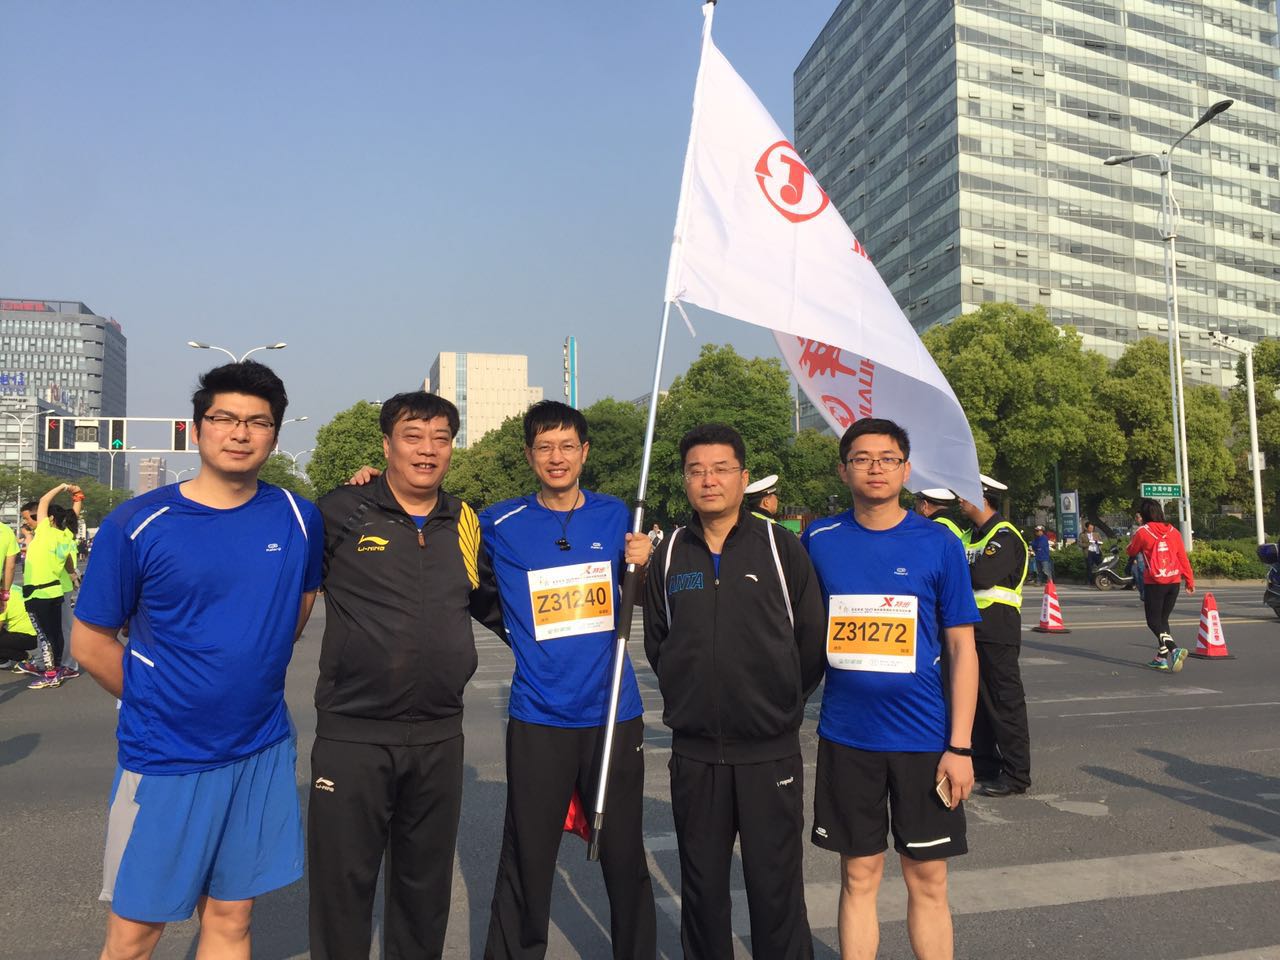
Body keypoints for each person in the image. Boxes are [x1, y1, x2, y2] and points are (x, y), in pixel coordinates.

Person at [71, 361, 323, 960]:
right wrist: (159, 700)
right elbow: (89, 642)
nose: (240, 433)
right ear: (197, 428)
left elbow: (295, 610)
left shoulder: (298, 517)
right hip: (166, 755)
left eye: (257, 422)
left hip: (260, 748)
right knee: (135, 934)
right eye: (225, 418)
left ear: (275, 435)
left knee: (232, 918)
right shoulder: (138, 523)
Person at [309, 391, 504, 960]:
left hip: (439, 736)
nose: (427, 450)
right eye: (413, 436)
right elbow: (285, 591)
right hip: (353, 735)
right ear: (386, 444)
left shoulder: (464, 520)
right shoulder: (340, 511)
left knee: (424, 893)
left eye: (441, 438)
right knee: (343, 891)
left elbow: (496, 605)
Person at [479, 400, 656, 960]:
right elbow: (433, 530)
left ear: (584, 452)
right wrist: (369, 484)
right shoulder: (496, 523)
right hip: (539, 717)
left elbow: (647, 595)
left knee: (624, 856)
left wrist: (647, 561)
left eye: (567, 446)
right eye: (544, 447)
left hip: (613, 714)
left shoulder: (618, 516)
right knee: (528, 858)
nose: (556, 457)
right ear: (529, 455)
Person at [801, 418, 979, 960]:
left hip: (925, 740)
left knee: (928, 879)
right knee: (859, 875)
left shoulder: (938, 543)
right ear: (843, 470)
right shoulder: (819, 541)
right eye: (861, 458)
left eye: (887, 459)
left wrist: (960, 746)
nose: (874, 468)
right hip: (847, 737)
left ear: (906, 469)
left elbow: (962, 649)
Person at [645, 424, 825, 960]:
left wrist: (780, 703)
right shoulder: (670, 552)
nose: (709, 480)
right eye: (696, 470)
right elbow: (658, 641)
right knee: (702, 891)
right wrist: (689, 693)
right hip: (696, 754)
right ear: (685, 480)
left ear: (743, 478)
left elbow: (811, 640)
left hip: (769, 752)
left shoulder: (780, 547)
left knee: (776, 889)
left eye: (721, 469)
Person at [957, 476, 1031, 798]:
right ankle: (985, 764)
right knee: (977, 703)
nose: (960, 501)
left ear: (982, 499)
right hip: (970, 628)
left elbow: (981, 575)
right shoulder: (969, 535)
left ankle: (1016, 774)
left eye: (965, 496)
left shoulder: (1004, 535)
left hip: (997, 630)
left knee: (1004, 703)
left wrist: (957, 572)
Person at [18, 483, 81, 688]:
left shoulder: (45, 532)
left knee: (45, 636)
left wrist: (63, 487)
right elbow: (73, 517)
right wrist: (77, 497)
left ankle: (51, 674)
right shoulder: (67, 536)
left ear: (50, 519)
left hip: (38, 593)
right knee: (56, 634)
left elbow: (44, 500)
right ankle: (57, 670)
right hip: (54, 591)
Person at [1126, 499, 1194, 672]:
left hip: (1155, 582)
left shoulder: (1143, 532)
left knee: (1153, 621)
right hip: (1174, 582)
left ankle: (1174, 649)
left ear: (1144, 515)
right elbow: (1182, 557)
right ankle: (1161, 658)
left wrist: (1132, 542)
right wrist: (1189, 580)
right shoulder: (1174, 531)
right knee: (1163, 621)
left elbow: (1131, 551)